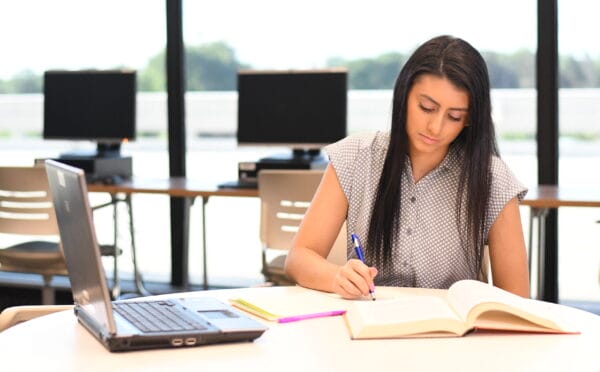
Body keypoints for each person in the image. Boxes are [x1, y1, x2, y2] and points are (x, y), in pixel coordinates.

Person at [284, 35, 530, 299]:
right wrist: (338, 277)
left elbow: (516, 299)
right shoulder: (355, 156)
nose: (436, 127)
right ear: (404, 95)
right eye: (426, 107)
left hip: (451, 335)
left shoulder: (493, 179)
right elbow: (299, 257)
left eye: (455, 116)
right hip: (369, 325)